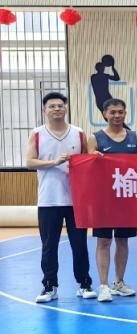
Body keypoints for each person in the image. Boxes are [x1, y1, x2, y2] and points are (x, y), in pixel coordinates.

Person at [27, 92, 93, 303]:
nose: (56, 109)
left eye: (60, 106)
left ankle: (84, 283)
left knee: (79, 244)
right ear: (44, 110)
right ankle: (50, 285)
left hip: (76, 200)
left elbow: (87, 160)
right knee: (49, 245)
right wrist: (54, 162)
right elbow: (29, 162)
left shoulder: (78, 133)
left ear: (65, 109)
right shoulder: (37, 133)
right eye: (52, 106)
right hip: (48, 199)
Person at [88, 98, 137, 302]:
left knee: (122, 240)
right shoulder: (95, 138)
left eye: (120, 112)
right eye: (113, 112)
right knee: (104, 240)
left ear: (125, 114)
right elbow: (87, 168)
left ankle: (119, 282)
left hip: (126, 197)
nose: (117, 115)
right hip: (103, 198)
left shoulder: (135, 137)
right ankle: (103, 285)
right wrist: (94, 158)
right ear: (104, 114)